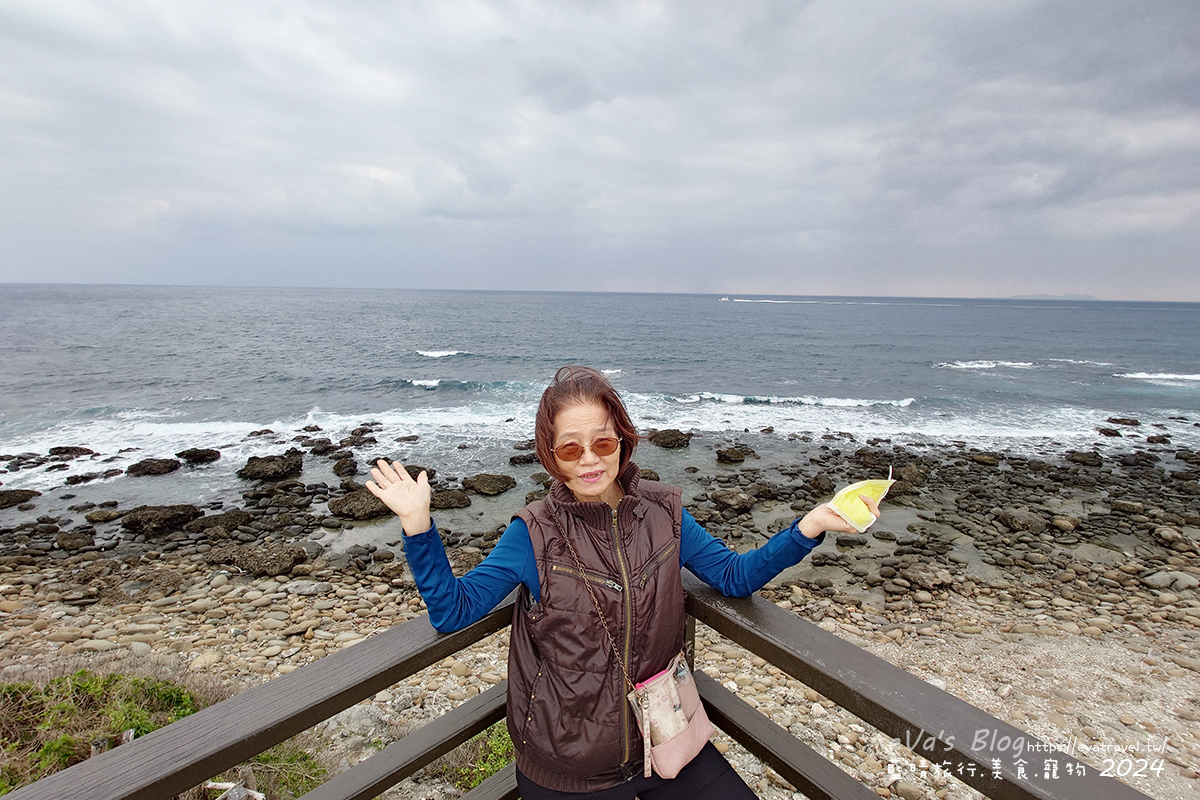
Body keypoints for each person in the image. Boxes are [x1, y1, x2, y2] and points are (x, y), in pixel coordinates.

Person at [366, 366, 881, 799]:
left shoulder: (665, 513)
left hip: (665, 740)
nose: (589, 459)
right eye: (570, 449)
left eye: (602, 441)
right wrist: (418, 525)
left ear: (623, 440)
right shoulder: (534, 532)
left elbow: (733, 575)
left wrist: (811, 525)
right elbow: (453, 611)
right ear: (550, 454)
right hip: (569, 765)